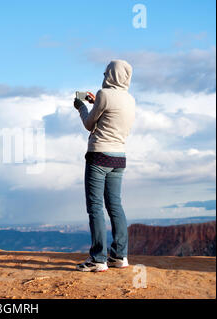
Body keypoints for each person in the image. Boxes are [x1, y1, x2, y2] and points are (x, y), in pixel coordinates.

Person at [73, 60, 136, 272]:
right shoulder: (130, 99)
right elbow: (110, 118)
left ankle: (98, 259)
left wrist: (81, 107)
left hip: (99, 155)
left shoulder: (104, 94)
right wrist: (95, 103)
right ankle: (120, 256)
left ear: (110, 74)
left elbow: (89, 124)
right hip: (119, 158)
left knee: (95, 207)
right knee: (115, 206)